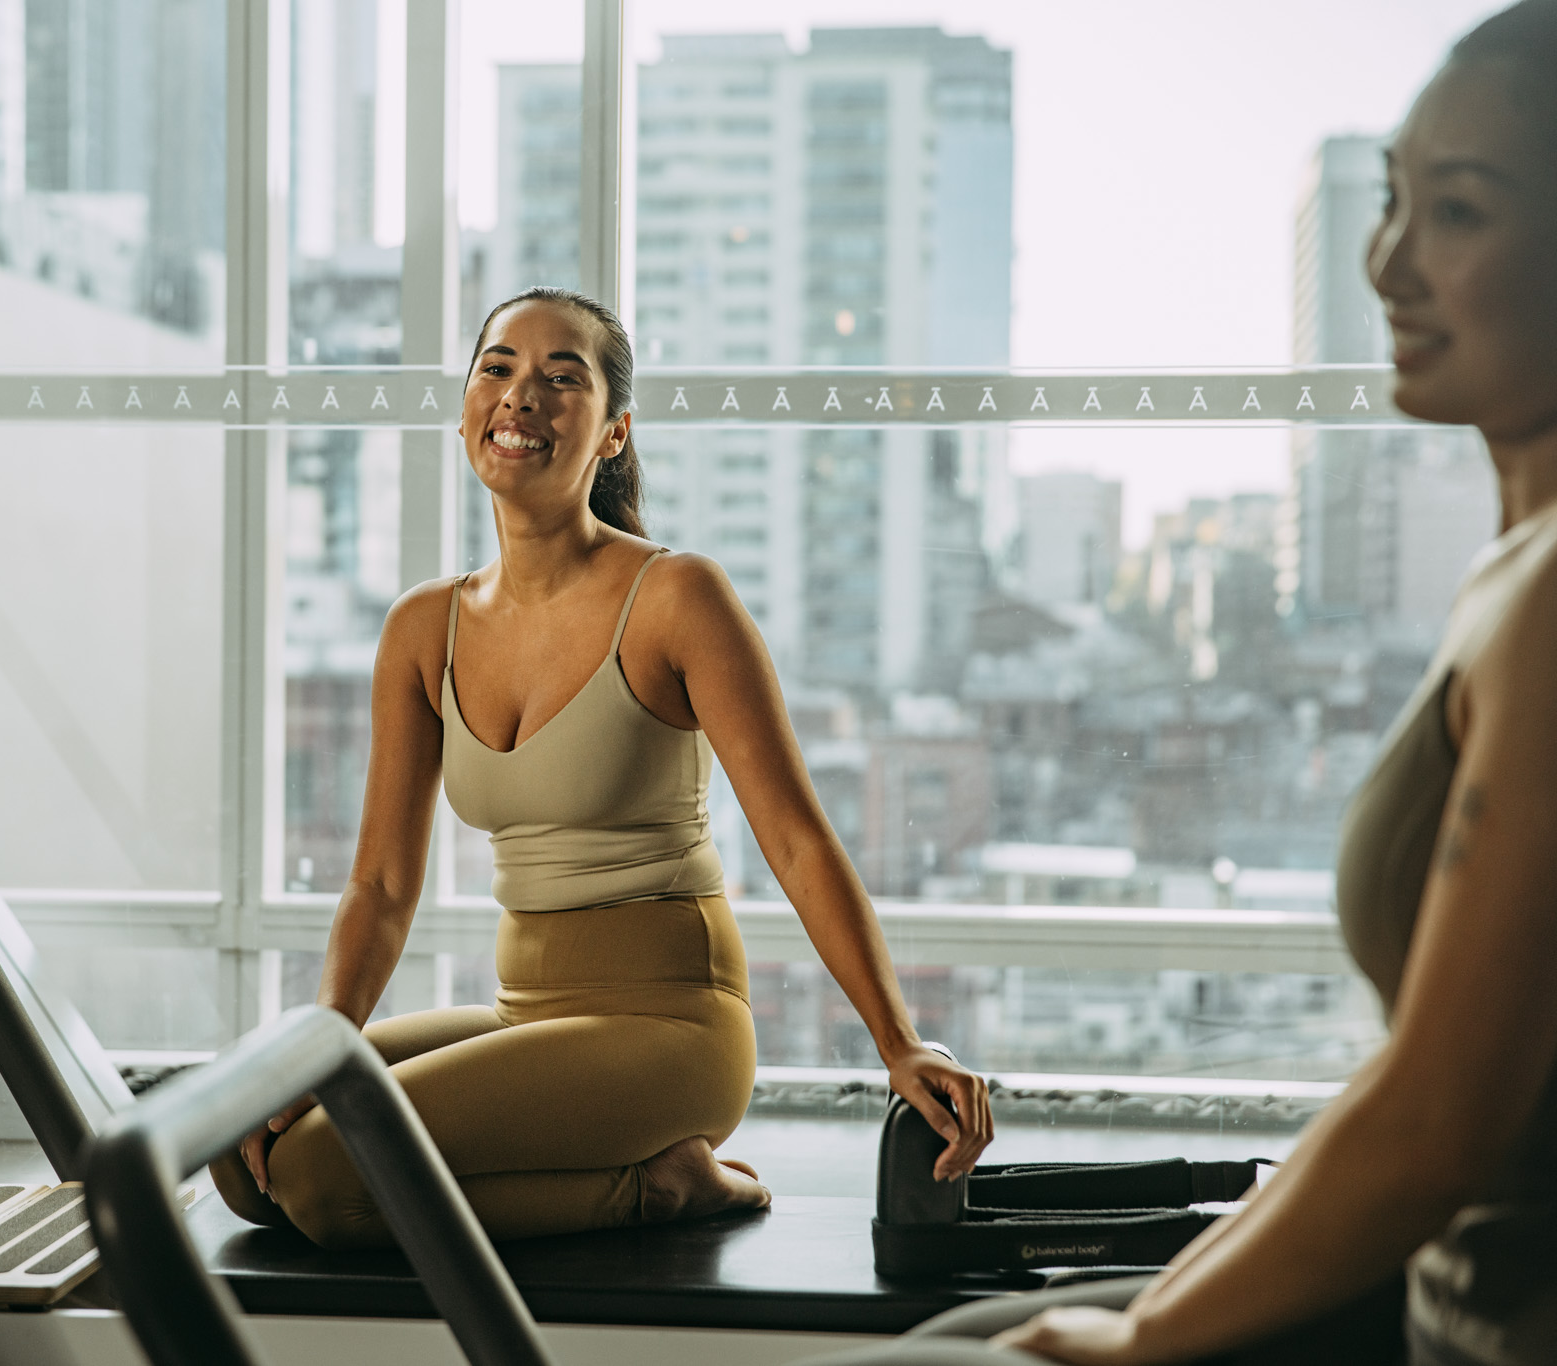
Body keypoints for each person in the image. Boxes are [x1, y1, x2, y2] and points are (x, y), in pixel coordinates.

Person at [818, 4, 1557, 1362]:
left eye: (1457, 213)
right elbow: (1400, 1083)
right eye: (1392, 200)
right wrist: (1151, 1304)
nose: (1388, 262)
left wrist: (1143, 1345)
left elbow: (1441, 1116)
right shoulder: (1510, 573)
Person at [210, 286, 993, 1249]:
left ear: (613, 432)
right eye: (497, 368)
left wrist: (896, 1039)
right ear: (465, 410)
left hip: (672, 1028)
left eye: (559, 378)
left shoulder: (676, 598)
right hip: (525, 1014)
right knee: (243, 1152)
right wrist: (320, 1043)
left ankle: (658, 1187)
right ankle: (624, 1172)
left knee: (328, 1183)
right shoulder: (423, 628)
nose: (519, 397)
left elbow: (796, 841)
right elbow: (379, 884)